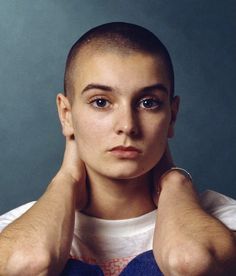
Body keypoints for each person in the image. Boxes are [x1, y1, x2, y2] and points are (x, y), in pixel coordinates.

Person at [0, 22, 236, 276]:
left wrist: (175, 182)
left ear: (172, 116)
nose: (127, 125)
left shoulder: (223, 220)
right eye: (101, 102)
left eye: (148, 103)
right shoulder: (12, 229)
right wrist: (65, 181)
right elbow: (26, 264)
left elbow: (192, 261)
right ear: (66, 115)